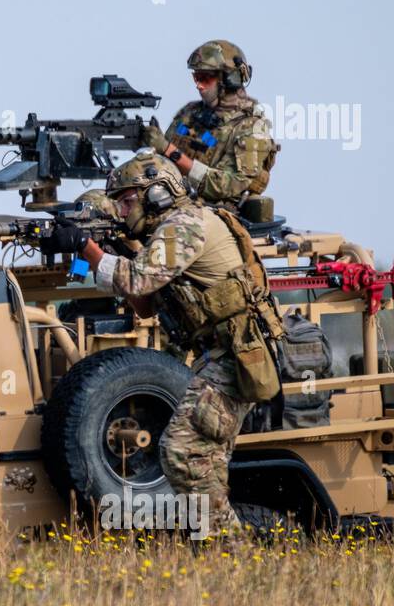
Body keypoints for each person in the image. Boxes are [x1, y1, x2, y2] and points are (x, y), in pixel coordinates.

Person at [48, 151, 285, 538]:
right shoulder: (166, 233)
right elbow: (143, 304)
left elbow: (139, 282)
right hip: (217, 354)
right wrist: (111, 251)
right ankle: (220, 545)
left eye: (126, 201)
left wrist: (87, 249)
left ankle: (227, 547)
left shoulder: (186, 224)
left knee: (182, 454)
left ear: (156, 194)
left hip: (235, 354)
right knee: (204, 460)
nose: (123, 211)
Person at [146, 39, 277, 213]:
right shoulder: (190, 113)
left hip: (216, 214)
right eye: (196, 76)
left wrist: (168, 150)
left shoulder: (251, 127)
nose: (198, 85)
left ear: (229, 79)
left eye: (205, 78)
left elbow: (225, 186)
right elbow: (162, 161)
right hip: (172, 202)